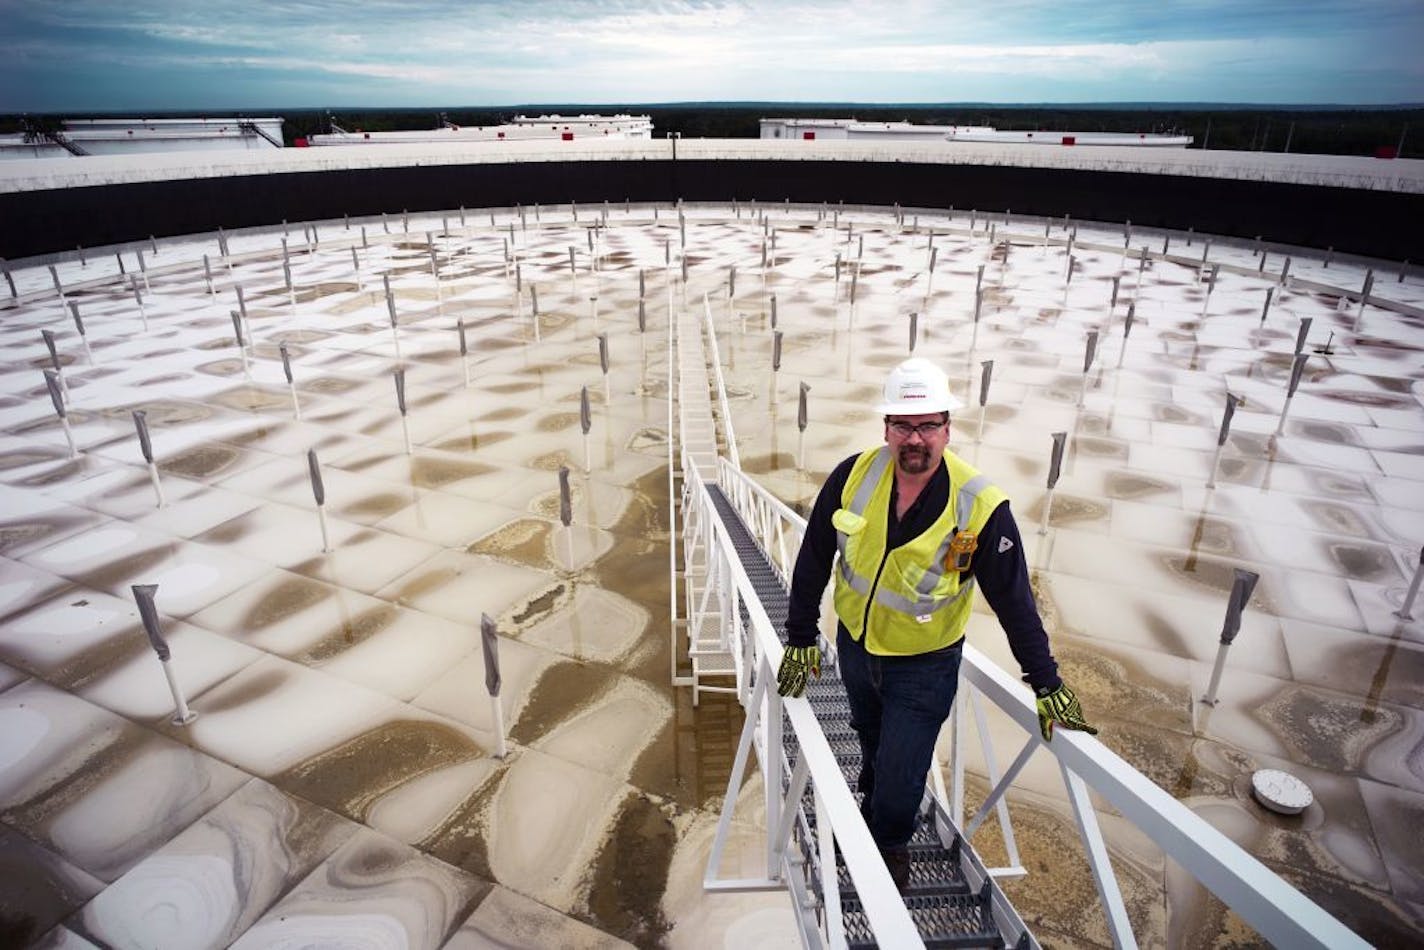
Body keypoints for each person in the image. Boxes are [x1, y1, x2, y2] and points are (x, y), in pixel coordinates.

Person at [775, 357, 1096, 892]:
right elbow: (812, 559)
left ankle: (888, 847)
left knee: (902, 777)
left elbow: (1014, 601)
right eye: (902, 425)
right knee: (871, 742)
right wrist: (800, 638)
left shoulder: (980, 506)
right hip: (855, 648)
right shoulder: (854, 475)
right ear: (886, 429)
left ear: (948, 429)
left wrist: (1047, 682)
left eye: (927, 425)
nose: (914, 438)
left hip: (924, 667)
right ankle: (872, 812)